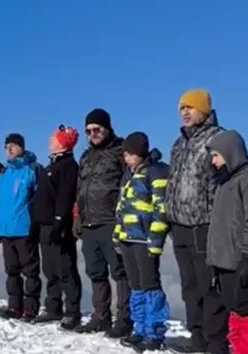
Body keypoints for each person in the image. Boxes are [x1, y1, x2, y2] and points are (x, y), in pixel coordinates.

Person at [166, 89, 228, 354]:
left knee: (210, 287)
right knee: (190, 288)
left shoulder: (219, 139)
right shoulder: (178, 143)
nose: (185, 112)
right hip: (179, 226)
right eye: (182, 108)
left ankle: (216, 344)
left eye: (190, 107)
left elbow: (226, 182)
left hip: (205, 225)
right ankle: (197, 339)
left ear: (204, 109)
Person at [206, 130, 248, 354]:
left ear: (230, 153)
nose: (213, 161)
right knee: (234, 315)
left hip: (241, 261)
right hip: (224, 262)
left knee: (246, 314)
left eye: (216, 155)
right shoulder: (225, 182)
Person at [74, 108, 132, 337]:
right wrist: (77, 215)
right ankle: (101, 317)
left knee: (120, 272)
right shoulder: (86, 156)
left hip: (111, 221)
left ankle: (125, 319)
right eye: (88, 131)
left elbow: (129, 184)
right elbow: (80, 189)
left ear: (107, 128)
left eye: (97, 129)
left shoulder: (120, 151)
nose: (92, 134)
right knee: (95, 272)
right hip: (89, 223)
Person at [114, 132, 171, 351]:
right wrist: (118, 234)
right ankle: (139, 329)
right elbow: (121, 207)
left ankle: (154, 332)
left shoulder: (155, 172)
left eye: (130, 154)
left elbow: (161, 207)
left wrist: (155, 240)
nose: (126, 159)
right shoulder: (128, 175)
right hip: (128, 237)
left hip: (144, 239)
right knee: (136, 286)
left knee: (150, 285)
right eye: (125, 155)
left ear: (140, 153)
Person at [32, 125, 83, 330]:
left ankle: (72, 311)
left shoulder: (68, 166)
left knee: (65, 269)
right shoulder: (52, 165)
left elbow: (65, 196)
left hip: (58, 226)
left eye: (54, 138)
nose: (50, 140)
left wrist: (59, 221)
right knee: (50, 269)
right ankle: (53, 307)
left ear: (62, 143)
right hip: (45, 224)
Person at [0, 133, 42, 321]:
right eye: (7, 147)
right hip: (6, 229)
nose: (9, 150)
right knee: (11, 271)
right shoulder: (4, 174)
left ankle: (31, 308)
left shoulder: (32, 170)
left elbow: (39, 198)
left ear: (22, 147)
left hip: (24, 228)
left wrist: (35, 222)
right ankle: (14, 306)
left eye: (13, 146)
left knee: (30, 270)